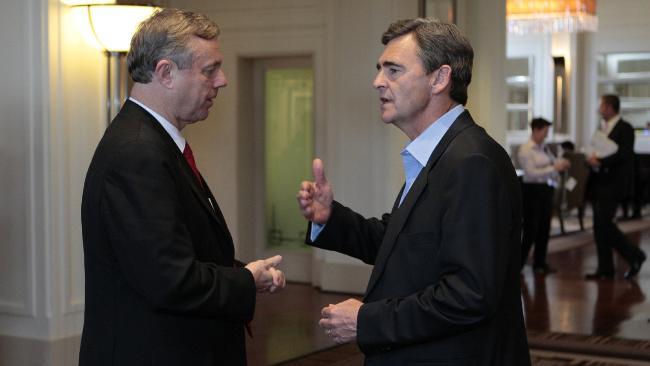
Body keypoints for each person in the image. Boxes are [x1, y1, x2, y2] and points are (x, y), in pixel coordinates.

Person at [297, 18, 530, 365]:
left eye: (393, 70)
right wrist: (330, 218)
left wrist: (367, 320)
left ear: (440, 78)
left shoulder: (471, 162)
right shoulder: (444, 152)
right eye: (379, 69)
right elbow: (402, 244)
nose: (377, 82)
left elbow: (470, 295)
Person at [79, 9, 285, 366]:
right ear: (165, 73)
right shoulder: (137, 152)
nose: (222, 81)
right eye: (209, 70)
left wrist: (243, 273)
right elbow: (169, 279)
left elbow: (176, 249)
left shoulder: (152, 143)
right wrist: (245, 282)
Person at [585, 94, 646, 280]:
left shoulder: (625, 128)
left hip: (614, 184)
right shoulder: (601, 128)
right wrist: (591, 159)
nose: (599, 109)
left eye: (602, 105)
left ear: (610, 107)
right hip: (599, 183)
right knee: (599, 226)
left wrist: (600, 161)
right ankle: (605, 269)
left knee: (604, 224)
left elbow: (624, 155)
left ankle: (635, 255)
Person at [518, 117, 570, 274]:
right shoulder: (526, 149)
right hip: (532, 191)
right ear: (535, 130)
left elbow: (553, 163)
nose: (546, 135)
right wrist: (553, 168)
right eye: (544, 132)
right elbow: (531, 173)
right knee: (530, 229)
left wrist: (560, 164)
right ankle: (518, 264)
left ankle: (539, 263)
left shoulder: (544, 148)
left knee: (544, 228)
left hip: (546, 190)